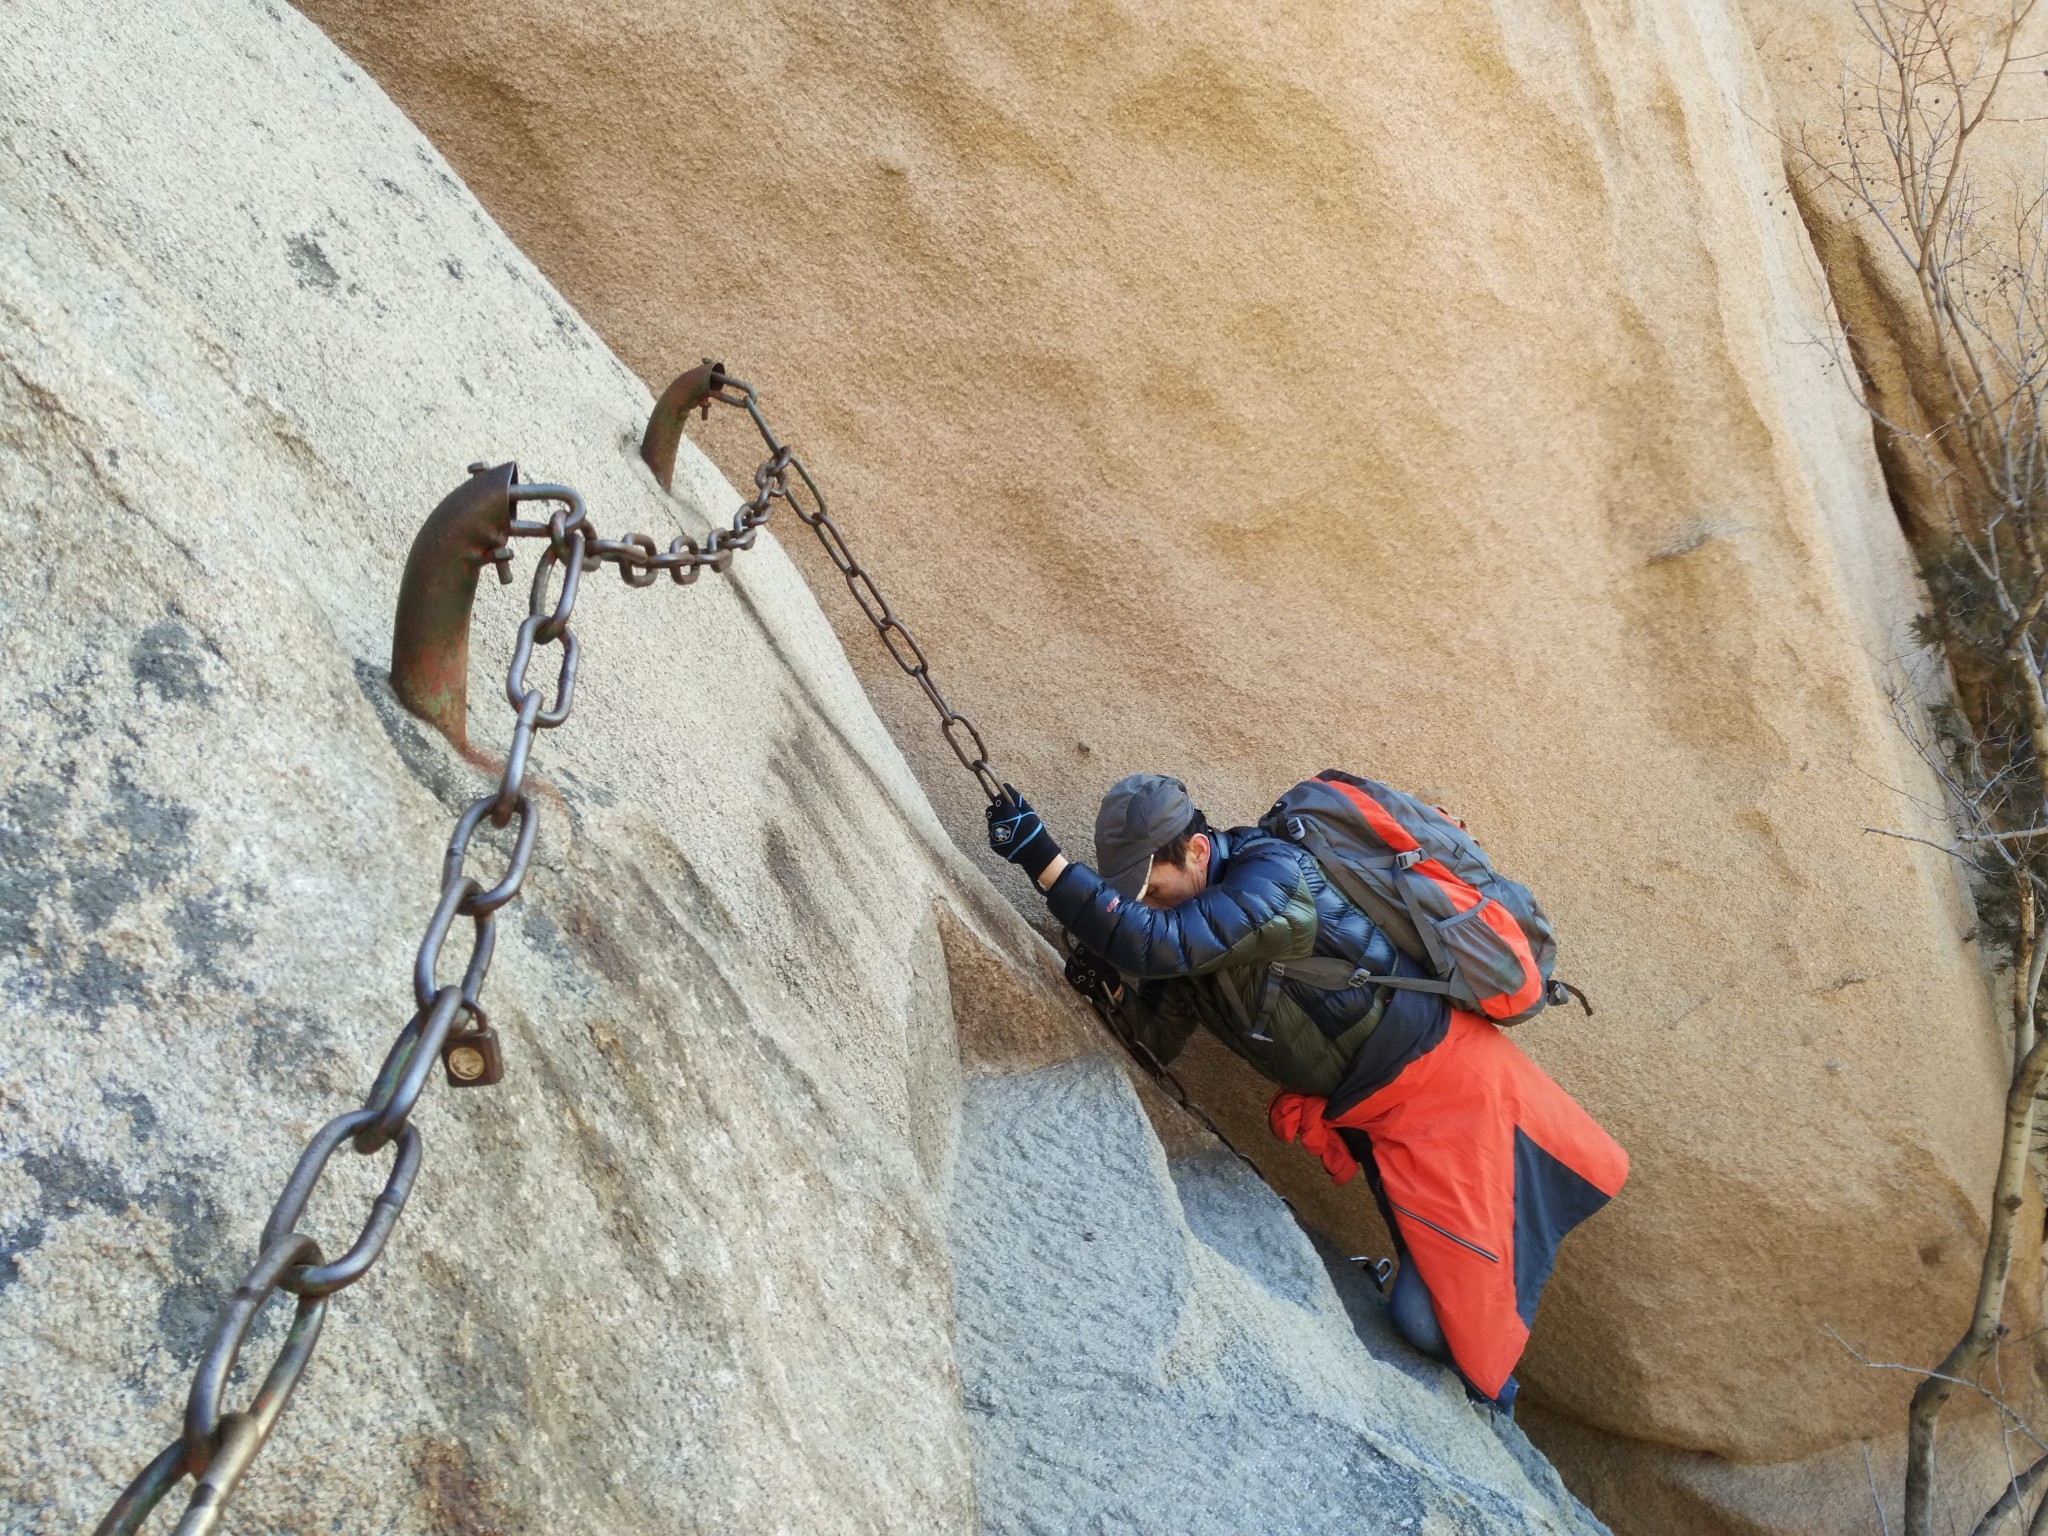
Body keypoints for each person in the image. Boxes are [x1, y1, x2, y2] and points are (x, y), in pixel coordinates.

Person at [986, 772, 1628, 1410]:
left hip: (1450, 1094)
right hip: (1380, 1118)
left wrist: (1043, 862)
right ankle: (1485, 1387)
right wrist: (1113, 990)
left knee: (1445, 1322)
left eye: (1152, 889)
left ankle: (1500, 1415)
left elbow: (1159, 943)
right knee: (1430, 1314)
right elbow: (1157, 1034)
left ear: (1198, 851)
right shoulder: (1195, 929)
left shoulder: (1276, 877)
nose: (1149, 907)